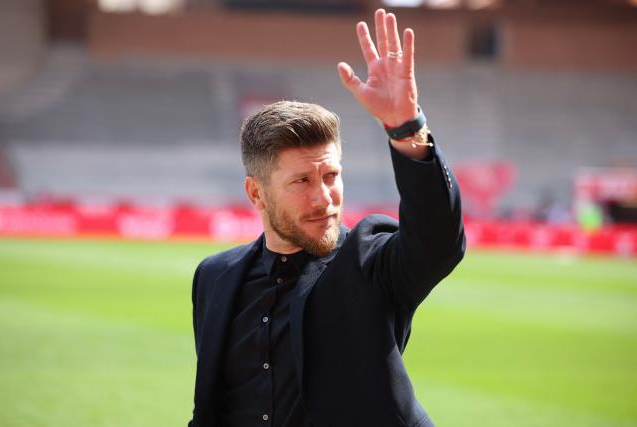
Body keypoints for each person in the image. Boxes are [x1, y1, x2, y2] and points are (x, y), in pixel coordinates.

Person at [189, 8, 465, 427]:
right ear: (256, 193)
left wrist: (407, 129)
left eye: (331, 175)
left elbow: (438, 240)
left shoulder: (371, 263)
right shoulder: (214, 278)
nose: (324, 198)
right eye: (301, 180)